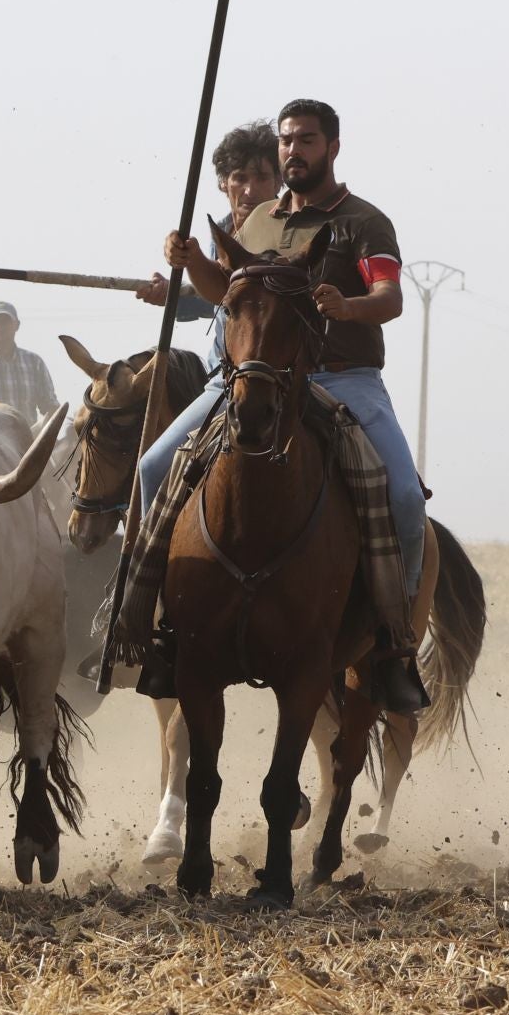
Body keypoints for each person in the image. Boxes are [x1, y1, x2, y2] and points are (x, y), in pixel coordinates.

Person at [136, 99, 427, 713]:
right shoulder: (259, 222)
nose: (295, 151)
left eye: (308, 141)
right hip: (252, 380)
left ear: (333, 148)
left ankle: (394, 646)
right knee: (151, 468)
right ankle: (152, 625)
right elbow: (224, 296)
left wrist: (347, 308)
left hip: (345, 379)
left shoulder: (363, 223)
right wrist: (192, 265)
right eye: (288, 141)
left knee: (400, 493)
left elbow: (390, 297)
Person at [134, 120, 283, 355]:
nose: (249, 190)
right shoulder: (222, 232)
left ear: (278, 181)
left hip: (269, 366)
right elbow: (220, 302)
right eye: (240, 178)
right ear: (224, 183)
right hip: (222, 366)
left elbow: (246, 298)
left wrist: (193, 261)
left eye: (261, 178)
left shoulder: (291, 233)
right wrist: (172, 295)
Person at [0, 301, 61, 422]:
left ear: (17, 325)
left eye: (6, 321)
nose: (1, 327)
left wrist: (44, 433)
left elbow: (51, 407)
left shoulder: (35, 363)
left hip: (27, 439)